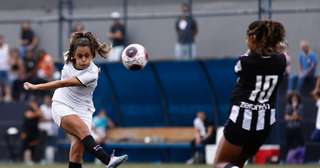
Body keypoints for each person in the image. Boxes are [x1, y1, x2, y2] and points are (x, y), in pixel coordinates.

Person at [23, 31, 128, 168]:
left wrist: (36, 87)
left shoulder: (92, 73)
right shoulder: (68, 57)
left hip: (83, 110)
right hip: (62, 104)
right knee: (84, 131)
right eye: (80, 56)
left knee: (77, 154)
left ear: (92, 55)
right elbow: (62, 84)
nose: (83, 59)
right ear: (73, 55)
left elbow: (63, 82)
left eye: (87, 56)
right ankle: (108, 160)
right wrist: (36, 87)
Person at [213, 20, 286, 168]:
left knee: (220, 164)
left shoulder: (246, 61)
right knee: (239, 164)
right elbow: (275, 54)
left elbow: (238, 68)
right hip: (264, 122)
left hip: (242, 118)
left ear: (253, 39)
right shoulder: (281, 61)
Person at [284, 92, 305, 164]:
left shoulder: (300, 106)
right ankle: (290, 160)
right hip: (289, 128)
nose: (294, 99)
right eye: (293, 98)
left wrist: (295, 109)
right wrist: (293, 117)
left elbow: (299, 117)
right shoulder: (288, 106)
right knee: (290, 144)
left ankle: (300, 160)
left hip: (297, 128)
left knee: (301, 144)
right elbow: (286, 118)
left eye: (295, 98)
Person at [20, 99, 42, 164]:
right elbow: (29, 115)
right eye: (32, 103)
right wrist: (36, 113)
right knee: (26, 146)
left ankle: (33, 159)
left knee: (33, 146)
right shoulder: (27, 109)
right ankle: (27, 160)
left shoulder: (37, 109)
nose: (34, 105)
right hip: (27, 131)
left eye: (35, 103)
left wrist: (36, 109)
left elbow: (40, 114)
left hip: (35, 131)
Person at [38, 94, 58, 164]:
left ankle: (51, 160)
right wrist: (49, 119)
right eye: (46, 99)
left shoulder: (53, 108)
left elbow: (55, 118)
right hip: (43, 130)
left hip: (53, 130)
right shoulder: (42, 107)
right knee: (43, 145)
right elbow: (41, 118)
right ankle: (42, 159)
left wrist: (48, 119)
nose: (47, 100)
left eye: (48, 99)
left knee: (51, 145)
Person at [0, 34, 11, 102]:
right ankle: (0, 96)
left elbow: (9, 57)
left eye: (1, 39)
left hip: (5, 69)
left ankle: (8, 96)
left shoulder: (6, 47)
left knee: (7, 83)